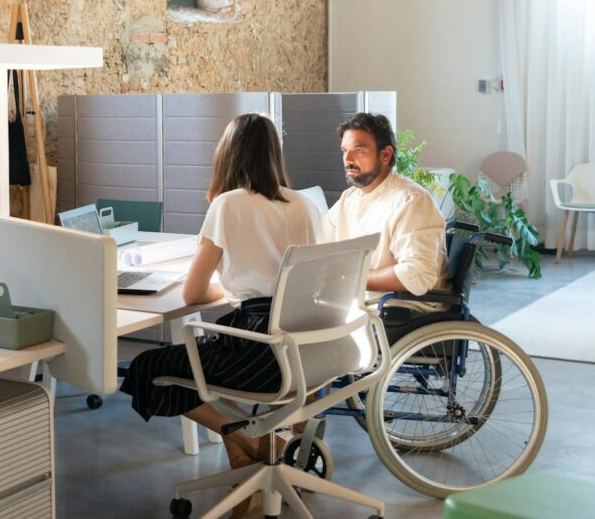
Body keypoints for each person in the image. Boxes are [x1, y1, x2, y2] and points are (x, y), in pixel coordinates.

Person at [119, 113, 319, 511]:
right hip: (308, 350)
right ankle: (243, 458)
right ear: (273, 155)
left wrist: (227, 288)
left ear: (228, 156)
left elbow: (193, 292)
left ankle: (250, 440)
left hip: (260, 352)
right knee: (197, 358)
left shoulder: (227, 205)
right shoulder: (306, 204)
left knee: (149, 369)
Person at [324, 113, 448, 305]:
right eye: (344, 151)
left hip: (398, 313)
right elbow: (318, 242)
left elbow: (418, 273)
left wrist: (352, 277)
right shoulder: (350, 198)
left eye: (358, 151)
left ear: (385, 155)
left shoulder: (410, 201)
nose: (348, 159)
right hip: (360, 306)